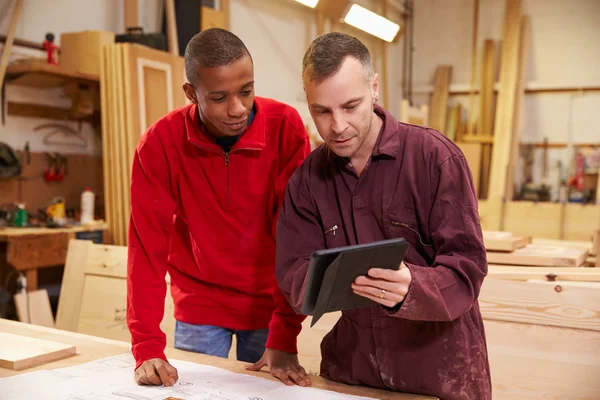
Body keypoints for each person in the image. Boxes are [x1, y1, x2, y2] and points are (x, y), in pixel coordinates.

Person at [275, 32, 492, 400]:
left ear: (374, 88)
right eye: (321, 111)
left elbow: (467, 270)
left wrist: (413, 286)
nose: (337, 126)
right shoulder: (307, 181)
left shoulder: (434, 158)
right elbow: (293, 271)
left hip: (440, 375)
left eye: (350, 106)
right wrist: (322, 282)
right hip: (354, 373)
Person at [127, 28, 312, 388]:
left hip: (268, 306)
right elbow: (147, 249)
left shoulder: (285, 128)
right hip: (200, 307)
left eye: (246, 91)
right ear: (191, 93)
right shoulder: (160, 144)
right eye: (218, 97)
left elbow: (297, 237)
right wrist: (147, 345)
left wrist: (285, 330)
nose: (238, 109)